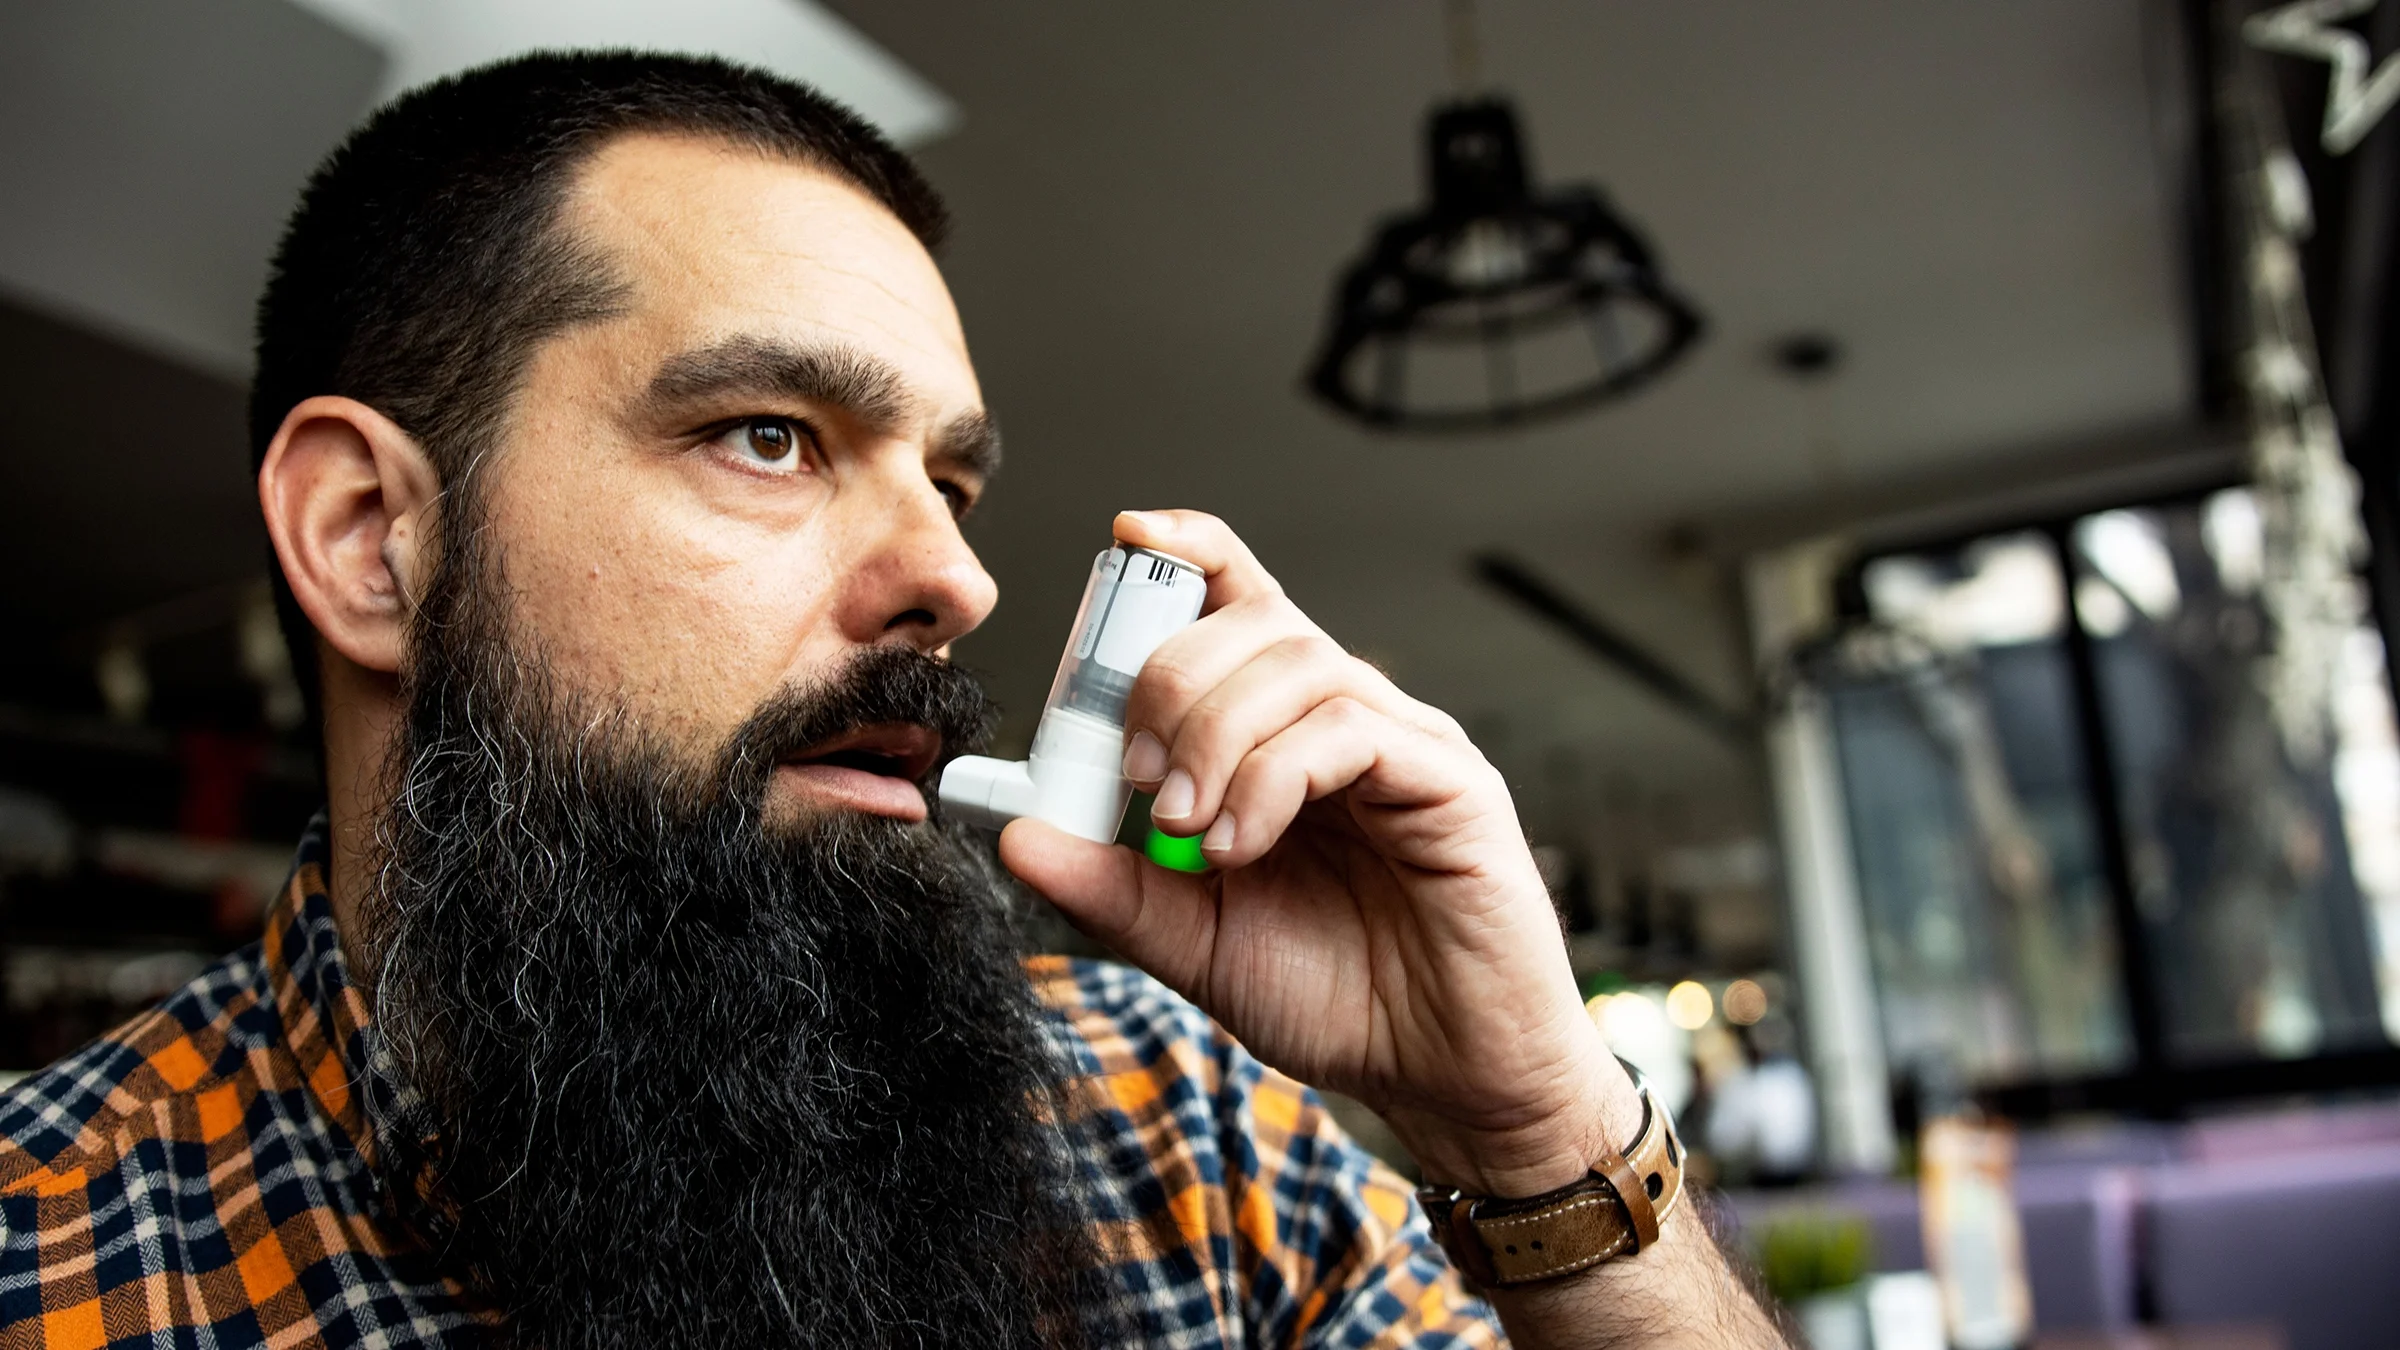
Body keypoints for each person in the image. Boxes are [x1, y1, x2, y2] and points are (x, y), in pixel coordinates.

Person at [0, 53, 1785, 1349]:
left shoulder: (1180, 1135)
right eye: (770, 437)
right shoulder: (48, 1254)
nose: (958, 580)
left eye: (954, 481)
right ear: (373, 540)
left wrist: (1538, 1129)